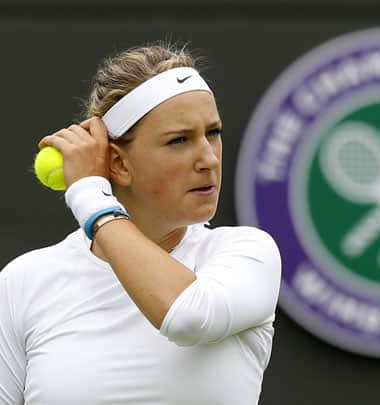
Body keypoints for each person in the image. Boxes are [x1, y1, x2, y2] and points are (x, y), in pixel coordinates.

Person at [0, 43, 281, 404]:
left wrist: (90, 198)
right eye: (179, 140)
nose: (209, 158)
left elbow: (187, 315)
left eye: (213, 133)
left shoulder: (246, 253)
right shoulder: (24, 282)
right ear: (118, 164)